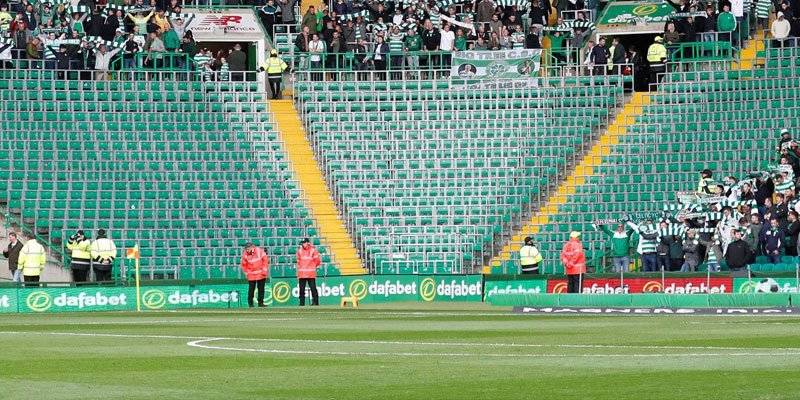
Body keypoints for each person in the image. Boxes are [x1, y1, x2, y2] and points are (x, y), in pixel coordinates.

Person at [240, 242, 270, 308]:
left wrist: (264, 270)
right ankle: (250, 304)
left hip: (261, 273)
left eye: (248, 249)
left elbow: (265, 260)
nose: (247, 250)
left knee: (261, 289)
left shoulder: (259, 251)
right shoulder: (245, 254)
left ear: (252, 247)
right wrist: (246, 272)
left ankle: (261, 303)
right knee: (251, 289)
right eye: (246, 249)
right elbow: (243, 264)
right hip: (251, 274)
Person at [296, 238, 321, 306]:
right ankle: (302, 303)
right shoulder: (299, 251)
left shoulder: (313, 250)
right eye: (302, 243)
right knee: (301, 289)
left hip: (310, 273)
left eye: (303, 243)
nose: (302, 244)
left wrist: (312, 266)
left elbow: (317, 261)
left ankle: (315, 302)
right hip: (302, 273)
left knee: (313, 288)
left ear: (307, 243)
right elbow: (298, 262)